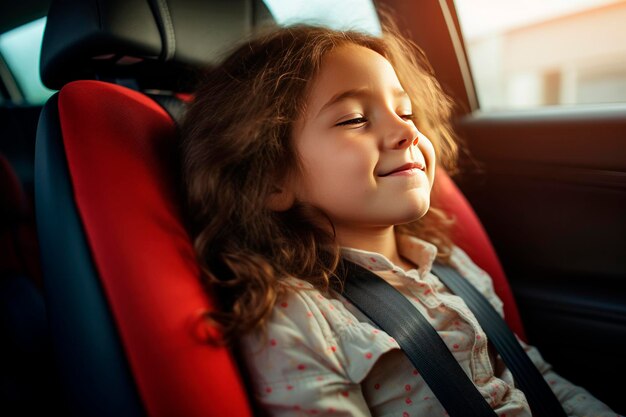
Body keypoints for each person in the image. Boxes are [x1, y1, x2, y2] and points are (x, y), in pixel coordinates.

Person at [180, 17, 620, 417]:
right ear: (272, 179)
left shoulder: (451, 267)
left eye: (406, 112)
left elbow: (535, 379)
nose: (409, 130)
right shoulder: (299, 317)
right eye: (354, 119)